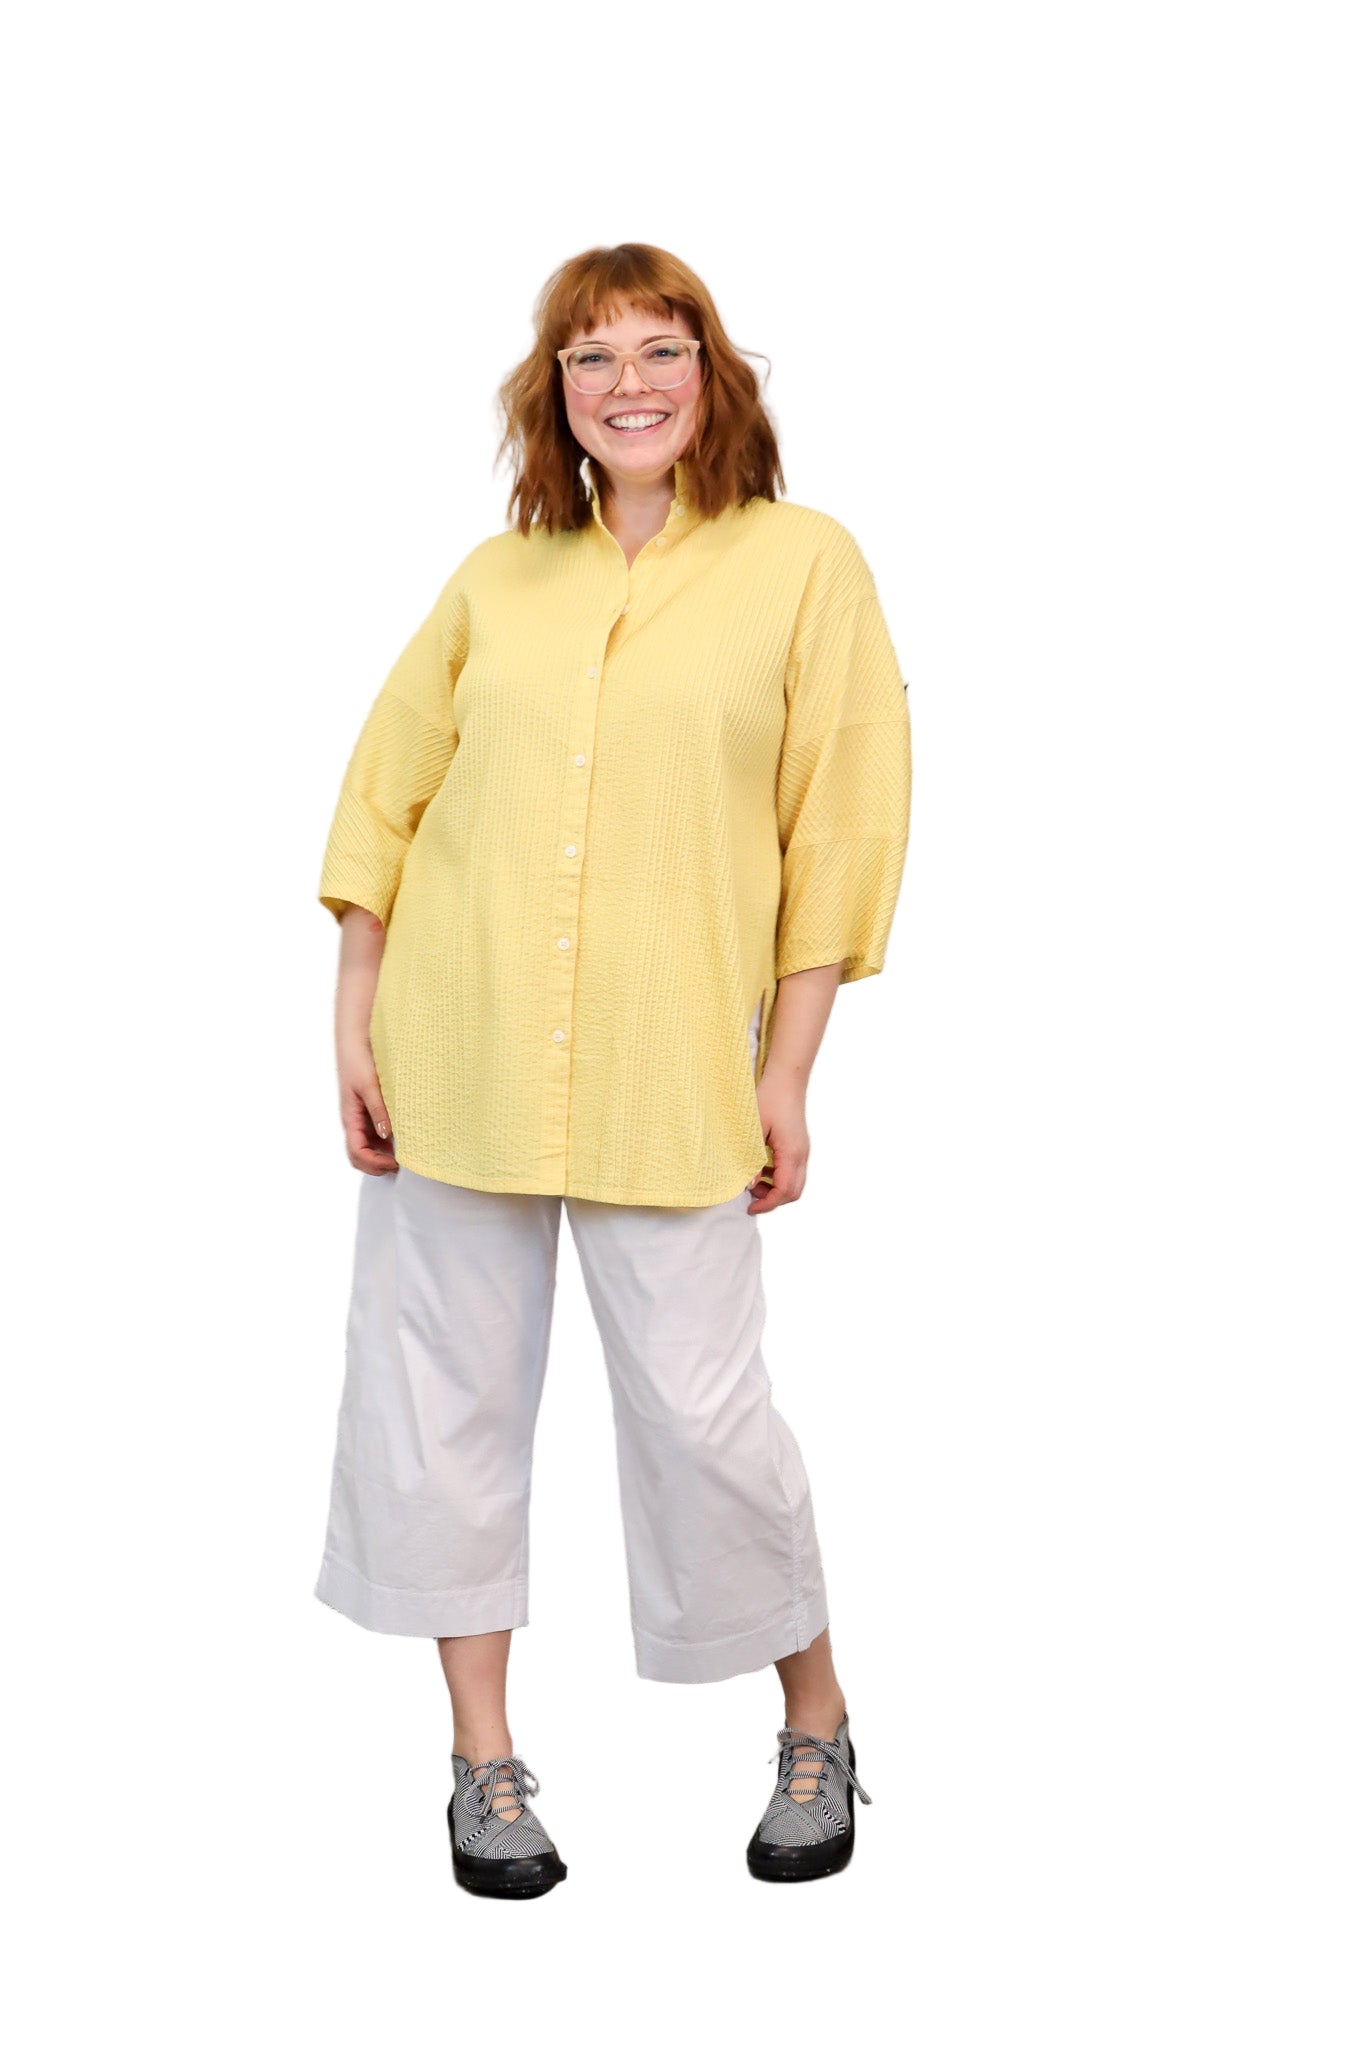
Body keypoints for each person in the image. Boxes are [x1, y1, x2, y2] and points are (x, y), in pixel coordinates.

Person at [313, 242, 912, 1897]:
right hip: (460, 1047)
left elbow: (839, 824)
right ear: (554, 392)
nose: (625, 383)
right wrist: (354, 1016)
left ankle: (815, 1719)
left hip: (672, 1066)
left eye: (659, 349)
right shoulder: (497, 580)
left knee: (708, 1419)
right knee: (441, 1408)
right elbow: (385, 798)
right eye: (590, 357)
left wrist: (790, 1072)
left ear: (712, 374)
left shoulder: (803, 565)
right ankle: (482, 1765)